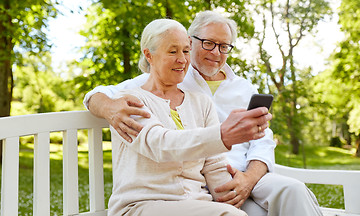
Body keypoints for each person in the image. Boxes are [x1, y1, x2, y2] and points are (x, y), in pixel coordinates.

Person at [84, 11, 323, 216]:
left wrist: (248, 179)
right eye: (208, 43)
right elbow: (157, 138)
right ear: (193, 40)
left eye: (224, 46)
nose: (216, 52)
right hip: (185, 191)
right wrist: (108, 106)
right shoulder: (149, 88)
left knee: (295, 190)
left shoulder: (238, 89)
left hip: (238, 177)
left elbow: (260, 141)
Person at [104, 18, 272, 216]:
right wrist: (222, 135)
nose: (182, 60)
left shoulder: (201, 103)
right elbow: (161, 145)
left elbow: (214, 165)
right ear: (149, 55)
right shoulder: (130, 101)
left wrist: (231, 195)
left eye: (185, 51)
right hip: (141, 205)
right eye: (172, 51)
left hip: (196, 203)